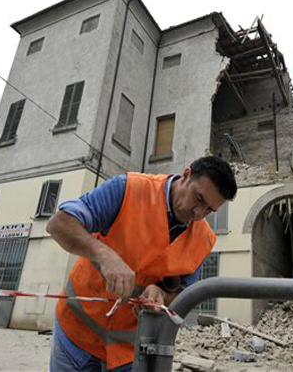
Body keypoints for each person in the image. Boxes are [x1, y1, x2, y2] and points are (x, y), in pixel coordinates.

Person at [46, 156, 237, 372]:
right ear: (186, 175)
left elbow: (183, 297)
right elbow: (59, 224)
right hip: (75, 334)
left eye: (210, 210)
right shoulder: (129, 189)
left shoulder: (204, 240)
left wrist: (161, 296)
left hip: (129, 351)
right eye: (199, 199)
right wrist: (105, 256)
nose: (198, 214)